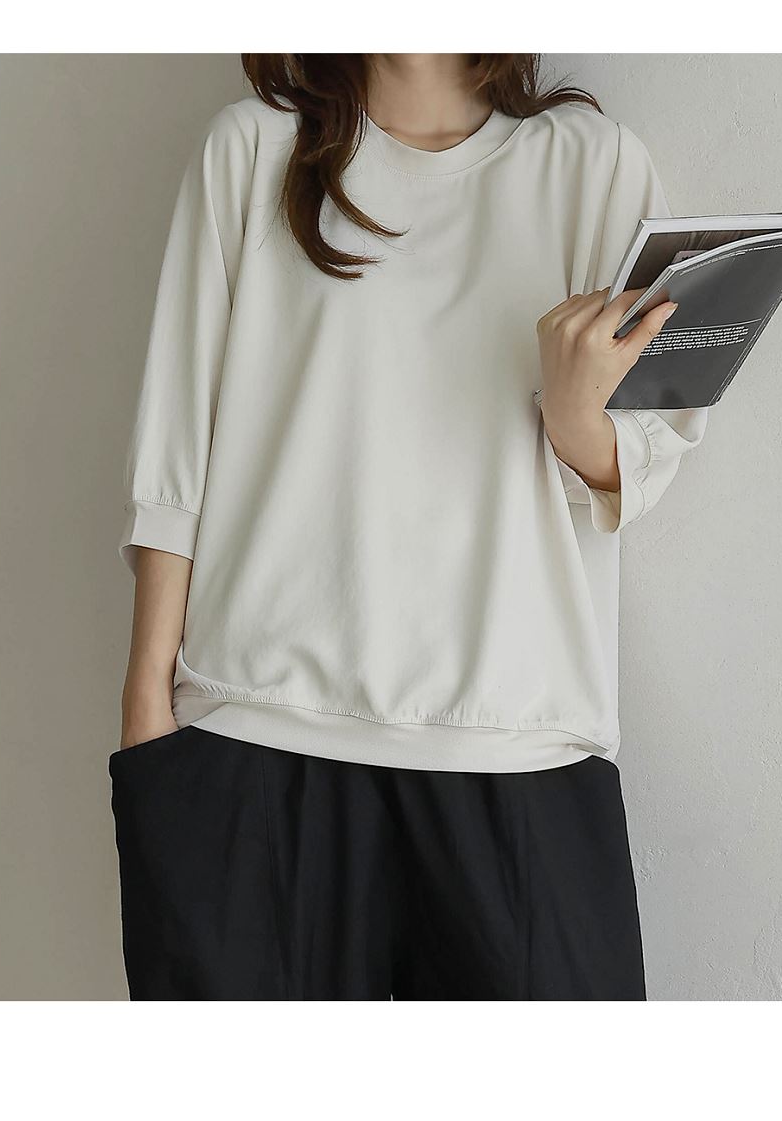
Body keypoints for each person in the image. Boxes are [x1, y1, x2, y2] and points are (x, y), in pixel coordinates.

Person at [108, 53, 709, 1001]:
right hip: (256, 738)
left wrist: (573, 413)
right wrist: (149, 722)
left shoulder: (591, 165)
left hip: (517, 743)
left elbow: (642, 457)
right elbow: (174, 465)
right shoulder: (250, 150)